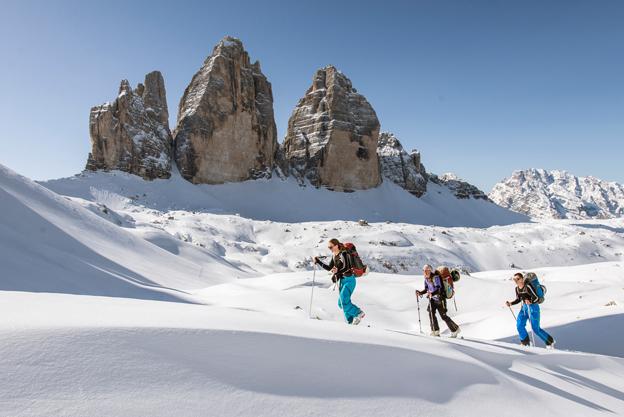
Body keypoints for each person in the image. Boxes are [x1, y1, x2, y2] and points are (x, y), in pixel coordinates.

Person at [314, 239, 365, 325]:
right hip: (342, 281)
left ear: (336, 245)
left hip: (349, 280)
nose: (330, 249)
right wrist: (318, 262)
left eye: (331, 247)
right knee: (341, 303)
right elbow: (330, 268)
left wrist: (337, 271)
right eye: (328, 247)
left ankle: (358, 313)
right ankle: (350, 321)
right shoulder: (334, 255)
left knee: (343, 302)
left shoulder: (343, 254)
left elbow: (346, 267)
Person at [506, 272, 555, 348]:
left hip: (533, 308)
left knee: (536, 329)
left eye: (517, 279)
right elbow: (518, 299)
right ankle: (525, 342)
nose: (516, 280)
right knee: (519, 325)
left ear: (522, 279)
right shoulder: (517, 289)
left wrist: (530, 301)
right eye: (514, 279)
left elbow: (536, 298)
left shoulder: (528, 287)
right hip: (524, 308)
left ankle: (550, 341)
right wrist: (511, 303)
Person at [416, 264, 460, 337]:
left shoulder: (435, 278)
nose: (425, 272)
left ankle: (455, 329)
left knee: (444, 316)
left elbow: (439, 289)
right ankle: (435, 331)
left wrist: (432, 293)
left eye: (427, 270)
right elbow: (427, 289)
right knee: (431, 313)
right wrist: (420, 292)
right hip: (432, 299)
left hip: (440, 299)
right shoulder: (426, 279)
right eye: (424, 271)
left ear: (430, 270)